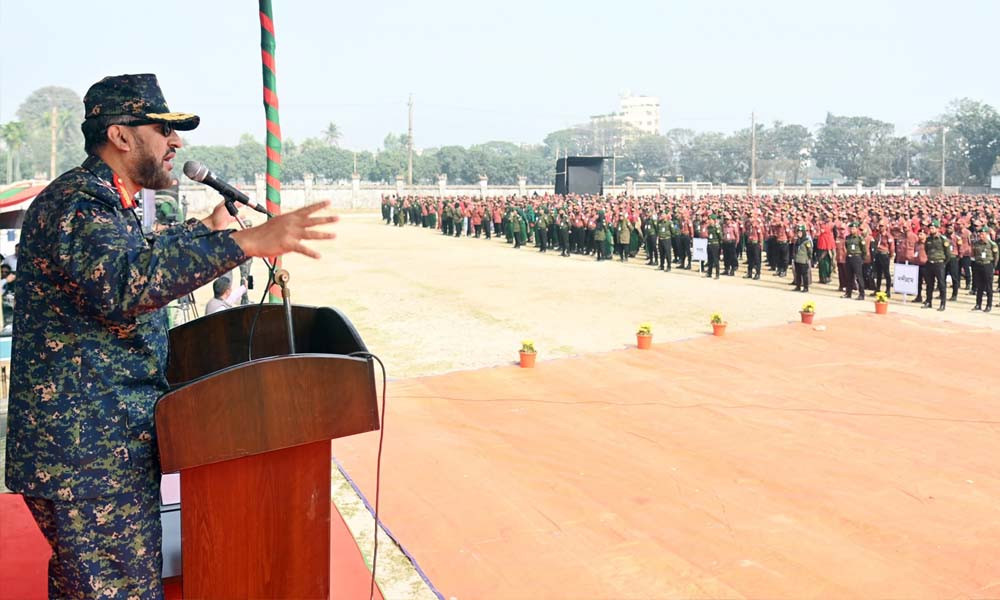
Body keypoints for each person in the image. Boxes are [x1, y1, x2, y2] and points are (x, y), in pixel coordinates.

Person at [3, 73, 338, 600]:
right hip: (86, 456)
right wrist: (244, 243)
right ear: (121, 136)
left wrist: (206, 230)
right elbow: (123, 283)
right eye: (164, 130)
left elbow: (134, 258)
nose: (176, 144)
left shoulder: (109, 201)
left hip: (101, 447)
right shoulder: (78, 202)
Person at [922, 220, 952, 311]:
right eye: (930, 228)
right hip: (930, 262)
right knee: (929, 284)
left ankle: (942, 303)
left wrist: (943, 262)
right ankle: (928, 301)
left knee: (941, 284)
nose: (931, 230)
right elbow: (926, 250)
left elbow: (948, 254)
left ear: (937, 229)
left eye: (933, 228)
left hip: (939, 263)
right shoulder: (928, 239)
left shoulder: (943, 239)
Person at [971, 227, 998, 311]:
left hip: (988, 265)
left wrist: (993, 266)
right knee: (979, 286)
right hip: (978, 265)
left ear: (986, 234)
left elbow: (996, 257)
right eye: (980, 234)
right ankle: (978, 304)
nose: (981, 235)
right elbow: (974, 254)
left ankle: (988, 305)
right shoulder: (976, 244)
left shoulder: (992, 244)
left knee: (988, 287)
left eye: (982, 234)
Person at [792, 225, 813, 292]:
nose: (799, 234)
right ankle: (798, 286)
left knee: (804, 274)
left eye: (800, 232)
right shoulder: (797, 240)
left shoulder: (806, 241)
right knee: (798, 274)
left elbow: (810, 251)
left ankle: (805, 287)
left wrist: (808, 258)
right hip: (797, 259)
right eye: (798, 232)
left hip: (803, 260)